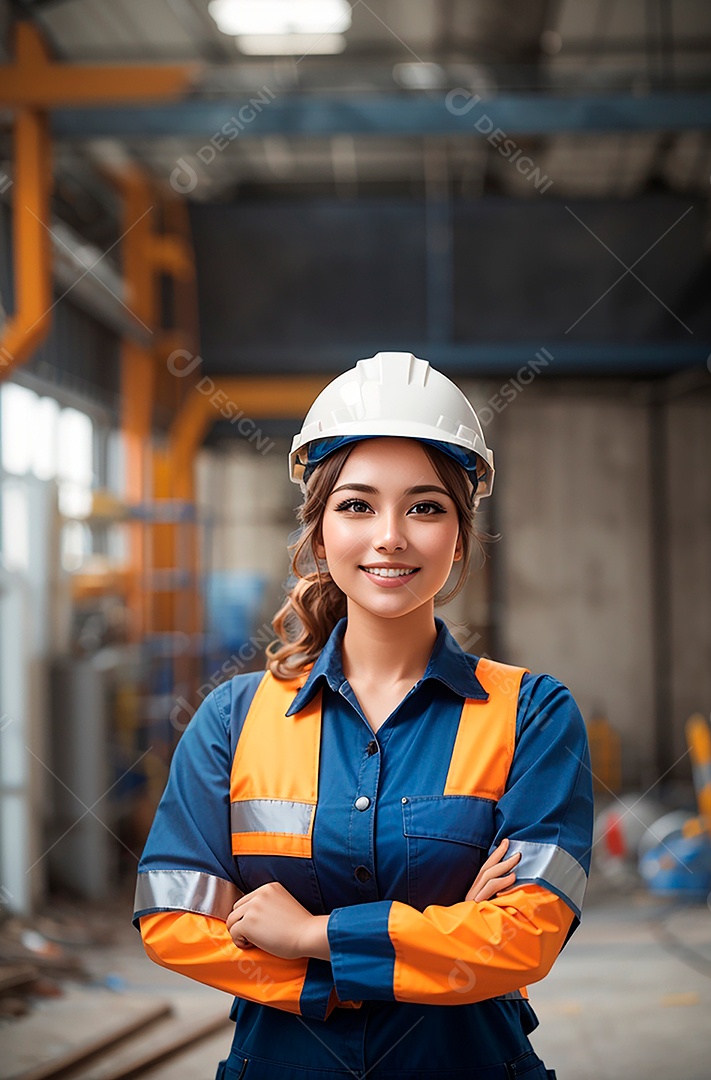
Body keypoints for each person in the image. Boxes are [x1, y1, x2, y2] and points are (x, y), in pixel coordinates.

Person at [133, 352, 594, 1080]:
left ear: (459, 536)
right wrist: (411, 952)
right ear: (320, 534)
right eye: (356, 505)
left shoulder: (532, 715)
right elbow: (173, 920)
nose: (391, 536)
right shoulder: (232, 718)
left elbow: (524, 940)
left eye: (425, 506)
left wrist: (311, 934)